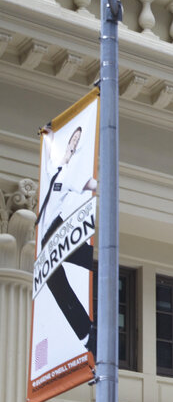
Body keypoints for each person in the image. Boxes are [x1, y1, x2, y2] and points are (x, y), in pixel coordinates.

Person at [36, 124, 98, 356]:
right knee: (58, 287)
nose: (70, 147)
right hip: (43, 241)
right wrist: (49, 137)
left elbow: (91, 185)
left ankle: (105, 270)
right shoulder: (53, 168)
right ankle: (87, 335)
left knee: (85, 257)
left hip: (57, 230)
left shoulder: (70, 175)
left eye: (75, 145)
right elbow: (49, 153)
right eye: (70, 142)